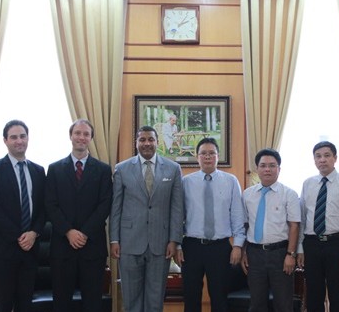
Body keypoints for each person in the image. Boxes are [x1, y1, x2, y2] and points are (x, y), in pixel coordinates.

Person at [109, 125, 184, 312]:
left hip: (161, 243)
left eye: (151, 139)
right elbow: (116, 207)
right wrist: (114, 239)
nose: (147, 143)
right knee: (131, 299)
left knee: (155, 299)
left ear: (157, 142)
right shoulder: (122, 169)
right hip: (129, 242)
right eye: (142, 139)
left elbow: (177, 208)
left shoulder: (173, 169)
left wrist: (175, 240)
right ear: (136, 143)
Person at [45, 119, 112, 312]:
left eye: (86, 134)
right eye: (77, 133)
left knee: (93, 303)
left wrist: (84, 233)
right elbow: (50, 204)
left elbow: (105, 205)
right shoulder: (55, 169)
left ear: (91, 138)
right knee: (61, 303)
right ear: (70, 136)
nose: (81, 137)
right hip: (62, 248)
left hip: (92, 247)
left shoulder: (103, 169)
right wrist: (68, 231)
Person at [0, 119, 46, 312]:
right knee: (4, 303)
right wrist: (20, 237)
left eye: (23, 136)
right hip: (2, 248)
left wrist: (33, 233)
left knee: (25, 304)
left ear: (28, 139)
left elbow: (43, 208)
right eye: (14, 137)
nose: (19, 141)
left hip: (30, 248)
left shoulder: (38, 170)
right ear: (5, 141)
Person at [174, 137, 245, 312]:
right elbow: (177, 216)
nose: (207, 157)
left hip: (220, 247)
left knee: (220, 296)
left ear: (217, 156)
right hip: (192, 246)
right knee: (191, 297)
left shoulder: (230, 181)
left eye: (211, 153)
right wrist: (177, 244)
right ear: (197, 157)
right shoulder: (186, 182)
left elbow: (237, 215)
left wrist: (237, 245)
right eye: (203, 153)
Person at [297, 141, 339, 312]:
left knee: (336, 293)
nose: (322, 160)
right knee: (313, 295)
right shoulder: (308, 183)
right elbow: (302, 218)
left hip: (337, 244)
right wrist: (300, 249)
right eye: (318, 156)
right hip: (312, 244)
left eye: (326, 155)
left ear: (335, 158)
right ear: (314, 160)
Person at [242, 148, 300, 312]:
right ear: (257, 169)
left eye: (272, 165)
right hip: (254, 254)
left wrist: (291, 255)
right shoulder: (247, 195)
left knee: (283, 303)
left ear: (279, 169)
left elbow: (294, 226)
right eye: (263, 165)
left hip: (280, 254)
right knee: (257, 303)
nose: (267, 169)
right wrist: (244, 252)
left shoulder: (289, 194)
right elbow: (244, 226)